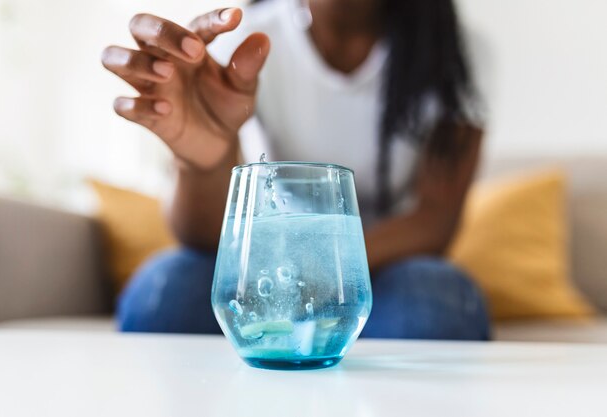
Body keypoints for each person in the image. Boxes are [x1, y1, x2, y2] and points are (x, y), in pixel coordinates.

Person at [101, 0, 490, 339]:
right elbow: (203, 238)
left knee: (432, 304)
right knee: (165, 292)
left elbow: (435, 222)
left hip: (387, 266)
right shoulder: (252, 38)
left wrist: (318, 271)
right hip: (269, 263)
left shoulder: (454, 51)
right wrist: (202, 163)